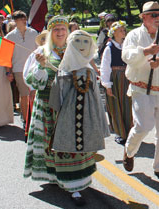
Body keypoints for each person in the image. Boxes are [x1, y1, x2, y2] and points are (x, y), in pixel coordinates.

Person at [23, 16, 97, 205]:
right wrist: (40, 65)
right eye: (56, 30)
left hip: (72, 108)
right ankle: (56, 177)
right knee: (51, 145)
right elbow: (30, 81)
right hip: (48, 106)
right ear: (50, 33)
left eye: (63, 29)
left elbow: (88, 73)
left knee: (71, 146)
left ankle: (75, 187)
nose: (60, 32)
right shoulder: (41, 52)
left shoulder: (76, 51)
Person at [47, 30, 109, 205]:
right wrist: (61, 79)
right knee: (69, 146)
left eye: (85, 41)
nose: (82, 45)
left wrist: (100, 122)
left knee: (84, 149)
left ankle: (81, 183)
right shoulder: (65, 67)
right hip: (69, 117)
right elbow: (58, 96)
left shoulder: (89, 69)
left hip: (87, 118)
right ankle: (72, 187)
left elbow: (97, 98)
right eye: (78, 41)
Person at [121, 1, 159, 182]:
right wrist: (145, 51)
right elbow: (126, 56)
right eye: (153, 15)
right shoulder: (134, 36)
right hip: (141, 88)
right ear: (144, 17)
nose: (157, 18)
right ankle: (129, 151)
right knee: (143, 126)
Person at [100, 21, 132, 145]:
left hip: (127, 77)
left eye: (124, 30)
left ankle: (129, 132)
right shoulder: (109, 48)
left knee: (128, 105)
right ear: (114, 33)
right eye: (121, 30)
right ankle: (120, 133)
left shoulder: (126, 46)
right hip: (115, 79)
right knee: (116, 106)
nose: (123, 32)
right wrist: (107, 84)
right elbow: (105, 67)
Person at [5, 11, 38, 129]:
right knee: (24, 95)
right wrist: (8, 71)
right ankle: (25, 119)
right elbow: (7, 56)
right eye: (20, 19)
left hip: (33, 68)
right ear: (15, 21)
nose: (23, 21)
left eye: (24, 18)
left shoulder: (34, 33)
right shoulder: (10, 36)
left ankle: (33, 118)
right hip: (18, 69)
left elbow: (39, 50)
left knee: (33, 94)